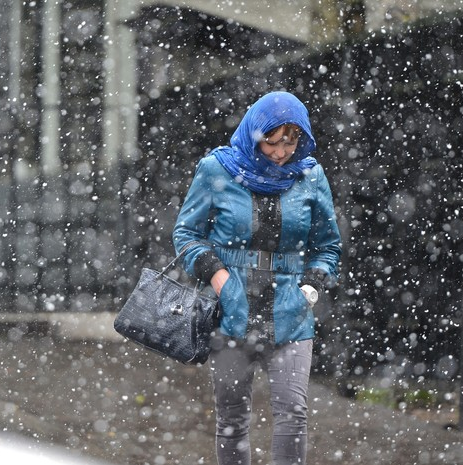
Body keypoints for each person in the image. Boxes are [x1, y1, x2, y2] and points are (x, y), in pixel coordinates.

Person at [172, 91, 342, 465]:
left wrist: (310, 290)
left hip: (292, 311)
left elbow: (328, 246)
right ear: (254, 134)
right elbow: (186, 235)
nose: (282, 152)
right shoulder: (217, 169)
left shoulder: (310, 175)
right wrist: (220, 279)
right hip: (230, 313)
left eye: (291, 141)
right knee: (231, 420)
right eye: (273, 141)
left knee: (293, 415)